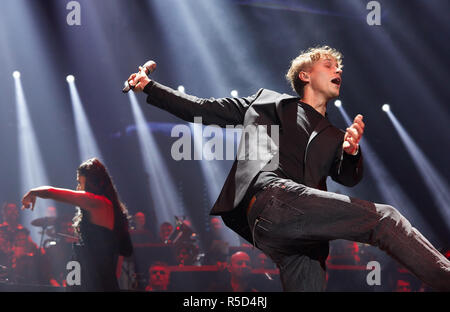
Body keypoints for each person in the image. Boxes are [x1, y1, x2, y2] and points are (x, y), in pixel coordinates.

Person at [128, 46, 450, 291]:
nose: (337, 69)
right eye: (329, 65)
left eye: (339, 67)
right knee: (385, 218)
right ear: (305, 75)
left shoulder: (336, 135)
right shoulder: (266, 103)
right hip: (270, 201)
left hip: (300, 238)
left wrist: (350, 152)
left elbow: (349, 177)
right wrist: (150, 88)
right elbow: (202, 109)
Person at [21, 157, 133, 291]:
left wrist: (34, 192)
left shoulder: (97, 202)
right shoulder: (111, 208)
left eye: (80, 182)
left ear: (91, 182)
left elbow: (52, 192)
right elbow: (117, 264)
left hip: (90, 275)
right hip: (89, 271)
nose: (78, 187)